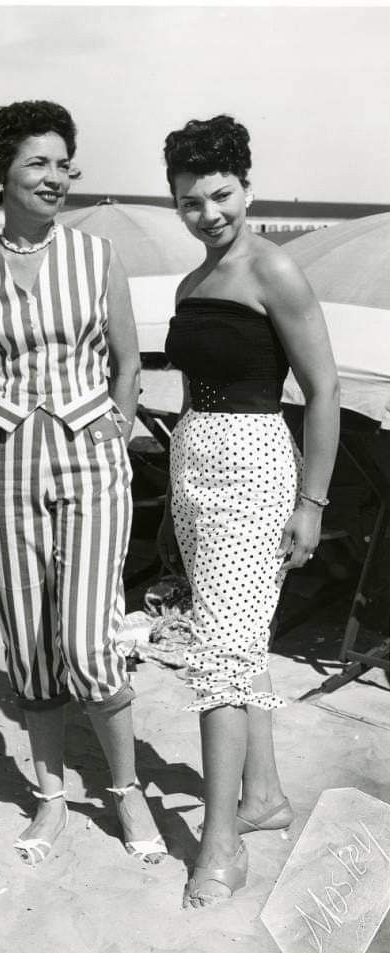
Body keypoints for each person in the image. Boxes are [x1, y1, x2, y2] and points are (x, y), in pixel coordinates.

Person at [0, 100, 166, 867]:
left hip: (90, 458)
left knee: (86, 640)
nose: (55, 176)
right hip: (3, 464)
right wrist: (3, 427)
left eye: (62, 162)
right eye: (37, 161)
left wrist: (115, 422)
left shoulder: (96, 256)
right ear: (0, 171)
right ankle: (50, 794)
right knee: (32, 645)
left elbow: (129, 361)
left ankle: (126, 786)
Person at [157, 115, 340, 907]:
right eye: (190, 201)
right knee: (235, 640)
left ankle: (221, 841)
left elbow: (324, 391)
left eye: (221, 195)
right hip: (192, 462)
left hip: (256, 468)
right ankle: (260, 794)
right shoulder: (190, 284)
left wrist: (312, 502)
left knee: (218, 655)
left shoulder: (275, 271)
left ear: (246, 187)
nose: (208, 214)